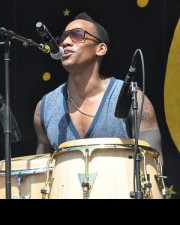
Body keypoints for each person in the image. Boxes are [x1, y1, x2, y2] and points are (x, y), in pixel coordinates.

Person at [33, 12, 163, 164]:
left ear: (100, 49)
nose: (66, 42)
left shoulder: (134, 98)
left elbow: (154, 166)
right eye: (63, 37)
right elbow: (41, 172)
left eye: (77, 35)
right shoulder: (44, 107)